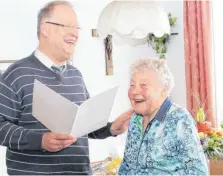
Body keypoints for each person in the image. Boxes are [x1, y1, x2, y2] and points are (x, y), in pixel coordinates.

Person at [0, 1, 133, 175]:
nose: (75, 34)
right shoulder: (16, 74)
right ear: (45, 29)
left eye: (77, 28)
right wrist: (39, 140)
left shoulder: (75, 75)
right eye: (68, 26)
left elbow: (84, 126)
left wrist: (111, 128)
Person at [118, 58, 208, 175]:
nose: (135, 91)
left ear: (163, 90)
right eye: (132, 84)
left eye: (143, 85)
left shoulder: (179, 119)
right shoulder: (135, 119)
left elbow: (198, 172)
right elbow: (126, 166)